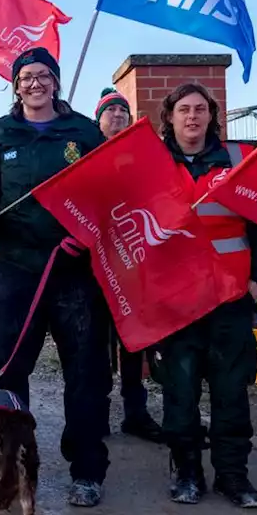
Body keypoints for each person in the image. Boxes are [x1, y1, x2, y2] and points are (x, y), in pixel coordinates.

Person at [0, 47, 112, 508]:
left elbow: (107, 194)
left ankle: (87, 470)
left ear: (56, 82)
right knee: (7, 370)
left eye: (44, 76)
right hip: (13, 267)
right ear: (16, 85)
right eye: (26, 76)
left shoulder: (84, 133)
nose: (35, 83)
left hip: (73, 269)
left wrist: (85, 235)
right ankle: (10, 468)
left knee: (85, 373)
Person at [156, 83, 257, 509]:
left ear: (211, 116)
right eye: (183, 109)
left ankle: (232, 476)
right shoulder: (150, 165)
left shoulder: (239, 161)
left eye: (200, 109)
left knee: (230, 393)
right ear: (169, 117)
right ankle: (187, 471)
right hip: (177, 302)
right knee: (180, 393)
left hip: (230, 299)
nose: (192, 117)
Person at [91, 88, 163, 443]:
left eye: (123, 110)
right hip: (96, 263)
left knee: (133, 341)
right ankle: (99, 412)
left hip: (133, 261)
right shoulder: (85, 154)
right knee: (97, 343)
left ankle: (136, 411)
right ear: (98, 119)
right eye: (110, 111)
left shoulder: (142, 154)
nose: (118, 115)